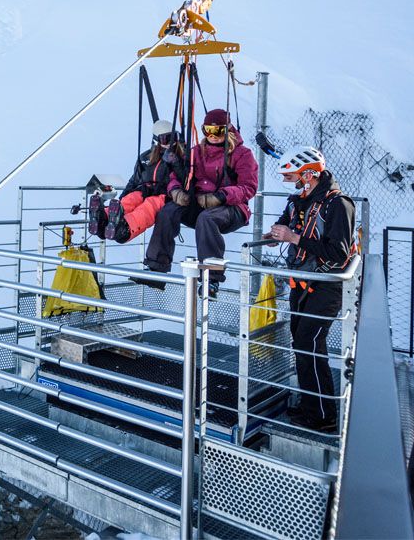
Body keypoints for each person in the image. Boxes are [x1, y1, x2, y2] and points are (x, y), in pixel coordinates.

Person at [267, 146, 355, 433]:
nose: (289, 181)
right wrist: (275, 235)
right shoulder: (296, 202)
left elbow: (339, 254)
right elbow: (286, 224)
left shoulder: (338, 204)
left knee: (309, 344)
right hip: (301, 282)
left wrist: (294, 237)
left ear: (309, 175)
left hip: (327, 286)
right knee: (301, 343)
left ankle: (324, 416)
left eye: (292, 175)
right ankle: (311, 407)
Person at [141, 109, 259, 293]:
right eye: (207, 131)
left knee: (207, 218)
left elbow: (248, 187)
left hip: (232, 208)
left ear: (228, 130)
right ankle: (157, 268)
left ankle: (211, 278)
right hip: (199, 202)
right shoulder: (196, 152)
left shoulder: (242, 154)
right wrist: (176, 191)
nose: (212, 136)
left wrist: (221, 196)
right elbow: (176, 176)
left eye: (218, 131)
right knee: (169, 210)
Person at [88, 120, 186, 243]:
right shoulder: (146, 157)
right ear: (157, 140)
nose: (171, 143)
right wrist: (123, 196)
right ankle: (104, 218)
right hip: (144, 190)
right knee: (131, 199)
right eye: (166, 139)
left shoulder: (180, 156)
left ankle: (126, 228)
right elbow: (135, 179)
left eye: (174, 137)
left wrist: (175, 162)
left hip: (164, 194)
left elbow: (185, 178)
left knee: (149, 206)